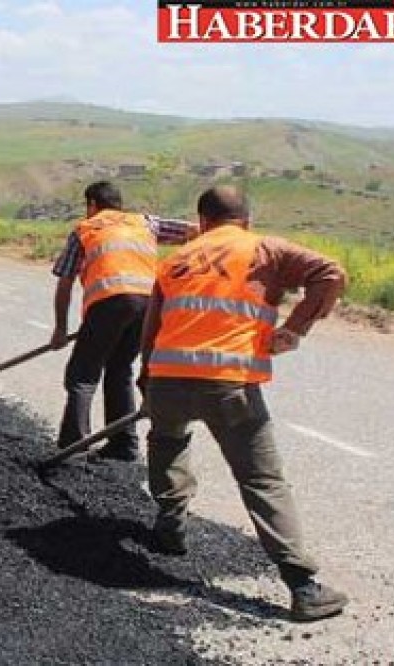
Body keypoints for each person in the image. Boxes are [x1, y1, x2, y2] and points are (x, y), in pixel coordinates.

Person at [139, 185, 349, 622]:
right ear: (246, 220)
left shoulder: (175, 259)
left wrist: (147, 381)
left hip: (168, 380)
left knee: (168, 443)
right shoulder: (262, 248)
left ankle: (169, 526)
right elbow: (330, 273)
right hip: (228, 385)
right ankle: (303, 586)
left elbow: (151, 328)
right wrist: (293, 331)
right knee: (261, 480)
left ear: (201, 222)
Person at [49, 181, 197, 460]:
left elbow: (65, 282)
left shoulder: (86, 229)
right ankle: (124, 444)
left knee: (82, 374)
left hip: (111, 300)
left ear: (92, 204)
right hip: (149, 304)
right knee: (119, 370)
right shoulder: (145, 223)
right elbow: (194, 231)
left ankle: (73, 446)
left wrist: (60, 328)